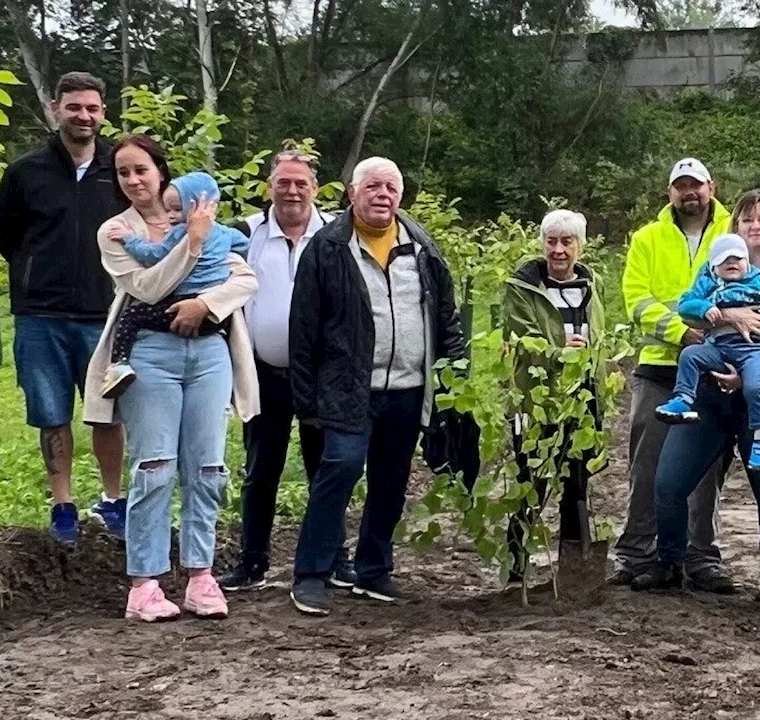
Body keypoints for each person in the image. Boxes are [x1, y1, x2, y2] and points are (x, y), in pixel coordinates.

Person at [83, 134, 260, 621]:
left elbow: (245, 278)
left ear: (161, 172)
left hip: (208, 351)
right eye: (123, 172)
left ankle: (200, 575)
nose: (134, 180)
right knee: (154, 466)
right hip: (150, 354)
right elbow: (147, 286)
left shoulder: (200, 215)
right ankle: (145, 583)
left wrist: (206, 303)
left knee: (207, 466)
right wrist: (194, 244)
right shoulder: (115, 231)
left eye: (141, 169)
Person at [288, 157, 465, 617]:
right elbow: (303, 327)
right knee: (340, 470)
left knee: (391, 479)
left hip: (408, 386)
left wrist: (453, 377)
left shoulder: (422, 246)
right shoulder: (327, 248)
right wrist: (305, 398)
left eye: (390, 187)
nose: (382, 195)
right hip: (348, 386)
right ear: (352, 193)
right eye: (372, 187)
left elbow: (446, 315)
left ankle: (374, 570)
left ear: (400, 197)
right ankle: (312, 572)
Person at [634, 190, 760, 620]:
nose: (756, 226)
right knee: (669, 482)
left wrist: (750, 375)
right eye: (747, 219)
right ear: (735, 228)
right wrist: (730, 316)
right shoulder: (709, 274)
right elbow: (691, 317)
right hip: (710, 396)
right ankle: (669, 562)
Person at [0, 71, 127, 542]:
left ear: (103, 112)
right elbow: (6, 234)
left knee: (107, 411)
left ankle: (113, 500)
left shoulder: (119, 169)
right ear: (55, 108)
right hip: (40, 315)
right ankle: (63, 504)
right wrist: (36, 271)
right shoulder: (26, 171)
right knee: (51, 412)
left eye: (92, 108)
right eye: (74, 107)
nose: (83, 116)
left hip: (104, 313)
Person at [613, 157, 749, 594]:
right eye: (680, 186)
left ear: (712, 186)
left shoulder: (735, 233)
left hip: (714, 367)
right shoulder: (647, 239)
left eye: (696, 185)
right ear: (669, 192)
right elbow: (636, 300)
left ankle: (701, 556)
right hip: (658, 367)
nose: (689, 193)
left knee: (705, 467)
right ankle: (637, 553)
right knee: (646, 460)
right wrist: (683, 332)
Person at [217, 150, 340, 592]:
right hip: (263, 372)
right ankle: (253, 561)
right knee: (260, 469)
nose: (292, 191)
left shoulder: (335, 234)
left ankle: (332, 559)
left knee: (325, 470)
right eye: (283, 182)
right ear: (270, 185)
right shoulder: (244, 234)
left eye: (300, 183)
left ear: (315, 189)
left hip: (321, 376)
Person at [656, 233, 760, 472]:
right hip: (718, 349)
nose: (732, 264)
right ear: (714, 265)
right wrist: (706, 308)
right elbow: (685, 305)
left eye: (738, 259)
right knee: (689, 355)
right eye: (724, 260)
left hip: (753, 350)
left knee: (756, 385)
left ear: (747, 262)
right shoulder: (708, 282)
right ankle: (683, 399)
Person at [502, 209, 605, 581]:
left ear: (580, 245)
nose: (559, 250)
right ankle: (516, 569)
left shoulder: (592, 285)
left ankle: (575, 570)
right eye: (552, 241)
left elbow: (599, 340)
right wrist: (562, 347)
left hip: (581, 399)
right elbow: (520, 335)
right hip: (535, 401)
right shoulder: (522, 287)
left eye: (567, 242)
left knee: (577, 483)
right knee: (532, 482)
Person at [100, 172, 249, 397]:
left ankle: (118, 365)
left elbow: (153, 254)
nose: (170, 216)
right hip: (215, 318)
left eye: (177, 210)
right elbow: (245, 245)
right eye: (167, 209)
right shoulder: (226, 233)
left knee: (131, 317)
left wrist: (128, 239)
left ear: (199, 206)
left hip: (178, 306)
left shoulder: (180, 233)